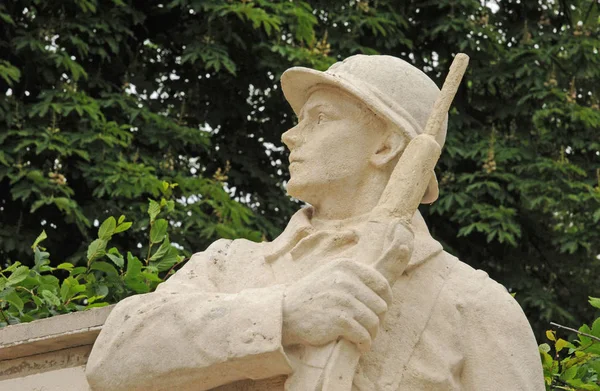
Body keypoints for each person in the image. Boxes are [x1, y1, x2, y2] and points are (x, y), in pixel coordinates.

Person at [85, 55, 545, 391]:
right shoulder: (228, 264)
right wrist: (283, 316)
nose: (289, 135)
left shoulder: (475, 306)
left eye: (319, 118)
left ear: (386, 146)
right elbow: (113, 356)